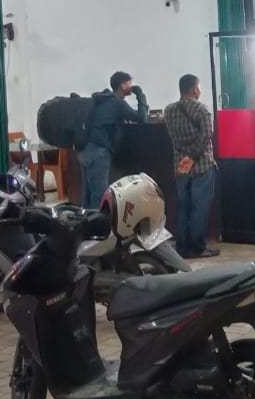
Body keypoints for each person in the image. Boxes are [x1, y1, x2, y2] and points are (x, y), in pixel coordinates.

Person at [164, 74, 220, 259]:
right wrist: (193, 157)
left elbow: (172, 136)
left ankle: (182, 247)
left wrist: (186, 157)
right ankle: (197, 247)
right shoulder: (202, 110)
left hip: (180, 166)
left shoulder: (169, 111)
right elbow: (207, 136)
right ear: (195, 90)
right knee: (199, 208)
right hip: (201, 165)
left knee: (183, 208)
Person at [79, 71, 148, 209]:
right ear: (123, 85)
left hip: (85, 149)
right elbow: (142, 118)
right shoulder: (117, 102)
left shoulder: (103, 99)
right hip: (99, 152)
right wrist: (140, 95)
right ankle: (97, 223)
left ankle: (85, 222)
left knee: (87, 196)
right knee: (99, 197)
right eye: (129, 83)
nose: (131, 86)